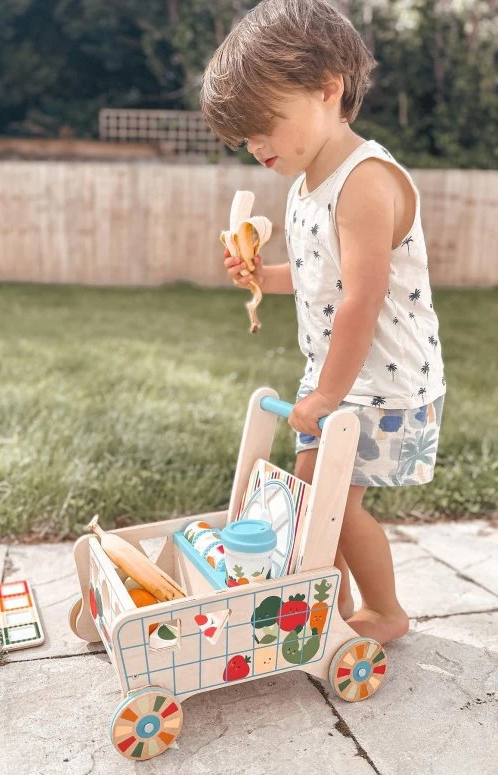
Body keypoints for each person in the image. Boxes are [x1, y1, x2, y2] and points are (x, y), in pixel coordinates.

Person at [201, 0, 446, 644]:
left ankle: (385, 609)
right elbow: (320, 278)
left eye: (263, 127)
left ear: (327, 87)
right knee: (310, 496)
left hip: (380, 381)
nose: (256, 147)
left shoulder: (364, 181)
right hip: (341, 375)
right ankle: (320, 605)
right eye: (245, 138)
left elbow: (362, 300)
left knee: (333, 503)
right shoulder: (309, 181)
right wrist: (262, 277)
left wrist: (325, 395)